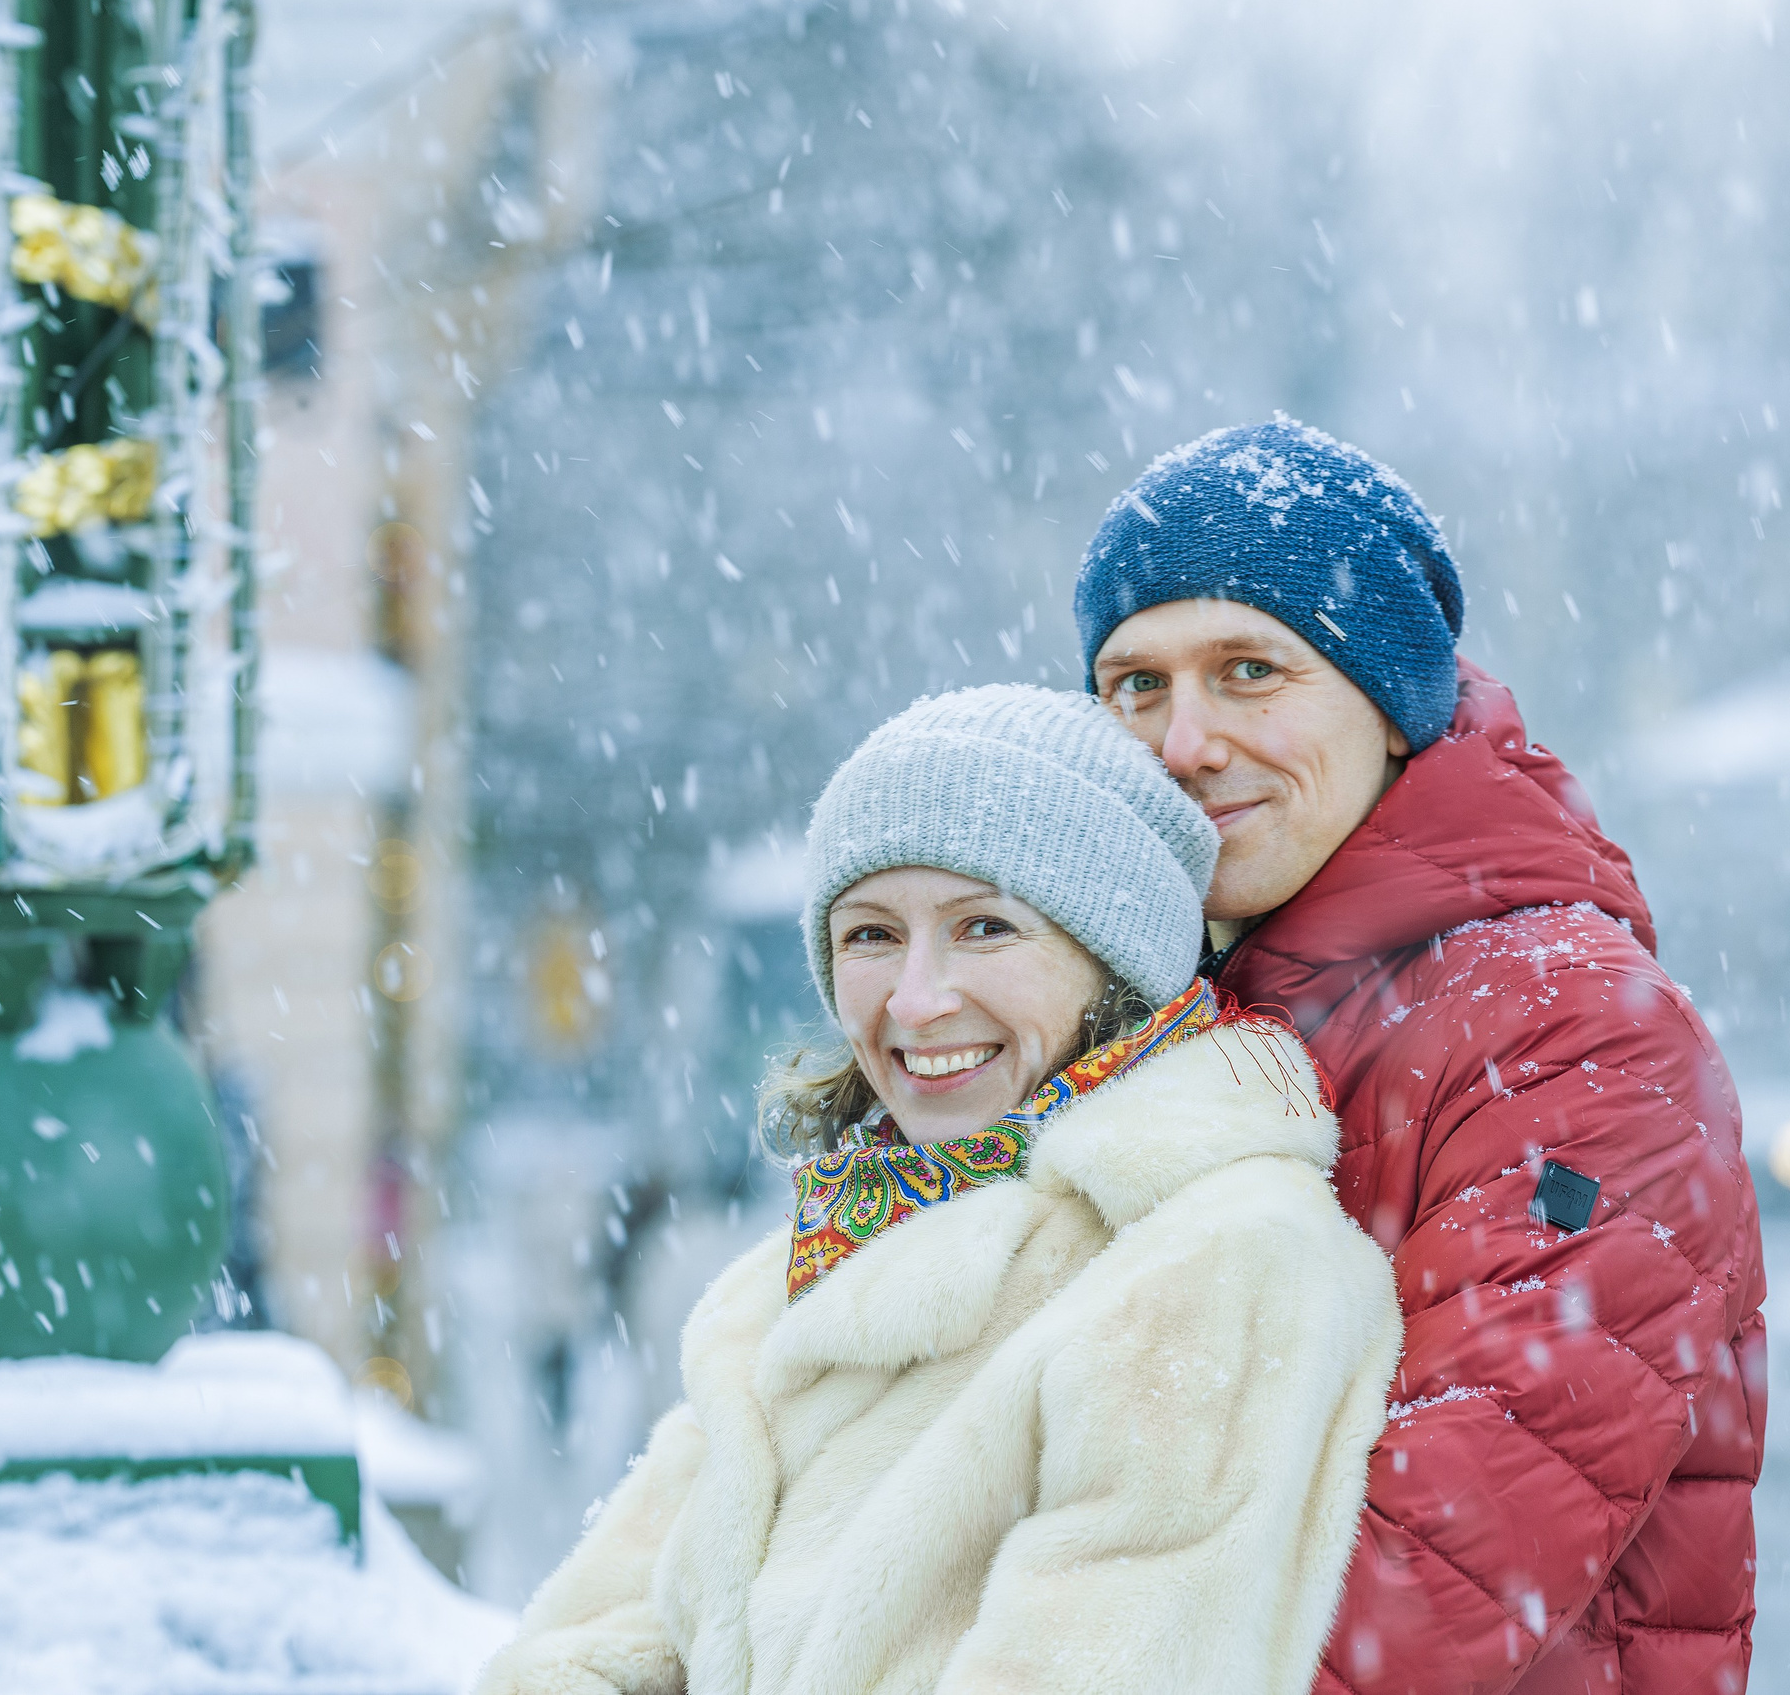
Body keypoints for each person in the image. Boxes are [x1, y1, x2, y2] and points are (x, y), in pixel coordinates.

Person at [475, 684, 1403, 1695]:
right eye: (870, 935)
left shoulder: (1222, 1261)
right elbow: (592, 1644)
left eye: (984, 929)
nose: (915, 998)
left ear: (1115, 959)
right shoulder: (827, 1254)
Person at [1074, 417, 1768, 1695]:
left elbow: (1439, 1578)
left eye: (1247, 671)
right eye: (1136, 686)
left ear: (1393, 706)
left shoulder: (1573, 1027)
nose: (1182, 744)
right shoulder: (1141, 1010)